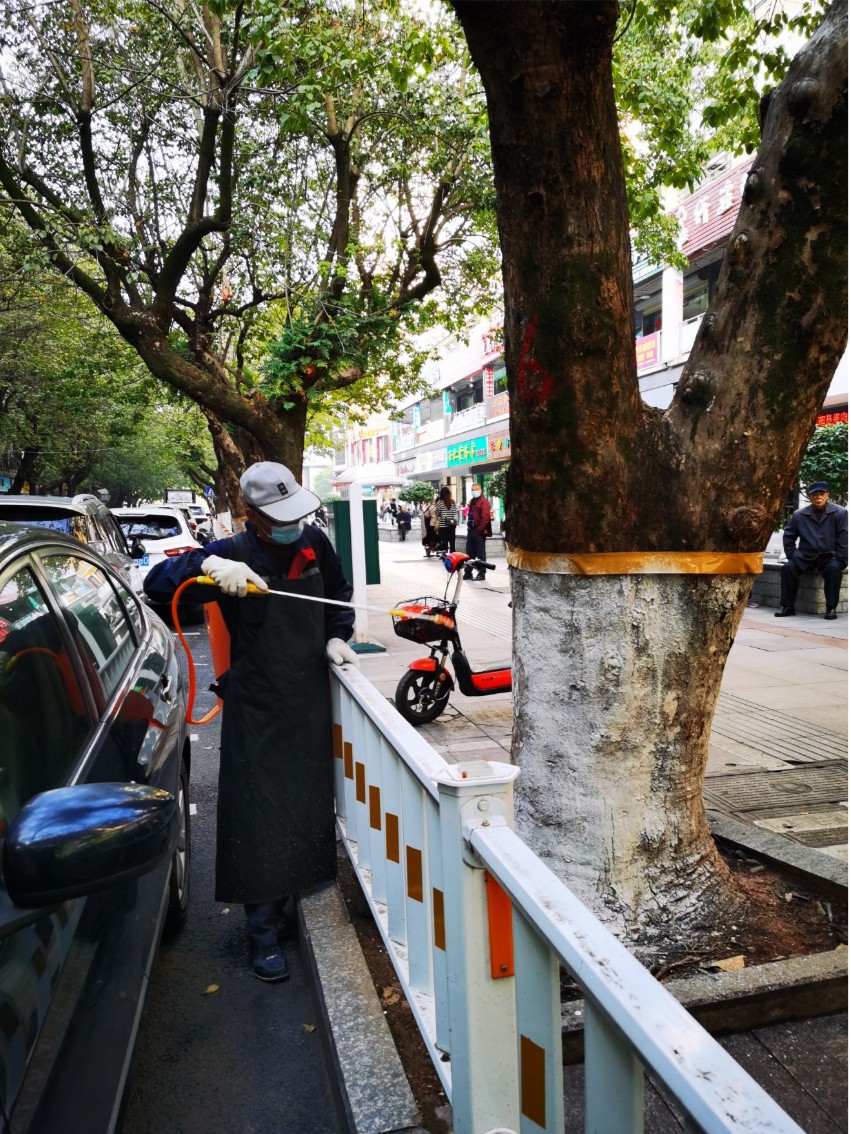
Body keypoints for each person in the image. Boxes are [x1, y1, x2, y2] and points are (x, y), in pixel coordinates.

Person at [144, 461, 358, 983]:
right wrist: (209, 565)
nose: (291, 526)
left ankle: (287, 908)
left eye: (294, 515)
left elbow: (338, 598)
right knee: (257, 816)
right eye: (279, 518)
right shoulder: (233, 554)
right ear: (252, 515)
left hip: (308, 703)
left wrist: (338, 636)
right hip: (257, 708)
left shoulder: (315, 543)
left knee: (304, 807)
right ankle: (261, 933)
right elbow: (157, 582)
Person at [776, 481, 847, 620]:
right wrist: (792, 554)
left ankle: (831, 608)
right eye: (815, 494)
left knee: (833, 569)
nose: (818, 497)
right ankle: (787, 606)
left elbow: (845, 537)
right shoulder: (799, 514)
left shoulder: (840, 512)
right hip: (805, 556)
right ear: (810, 497)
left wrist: (839, 557)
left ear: (827, 495)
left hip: (830, 556)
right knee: (788, 568)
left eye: (822, 494)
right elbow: (789, 535)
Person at [464, 484, 492, 579]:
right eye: (472, 489)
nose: (474, 491)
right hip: (471, 530)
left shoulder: (484, 502)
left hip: (478, 531)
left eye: (476, 489)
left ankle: (481, 573)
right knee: (469, 553)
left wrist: (479, 530)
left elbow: (485, 518)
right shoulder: (473, 501)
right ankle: (468, 572)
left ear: (481, 490)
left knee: (480, 554)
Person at [436, 486, 460, 554]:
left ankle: (445, 554)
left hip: (443, 525)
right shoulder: (452, 502)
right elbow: (455, 511)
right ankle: (453, 554)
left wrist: (442, 515)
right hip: (452, 524)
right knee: (452, 540)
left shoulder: (440, 503)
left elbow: (437, 513)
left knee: (445, 541)